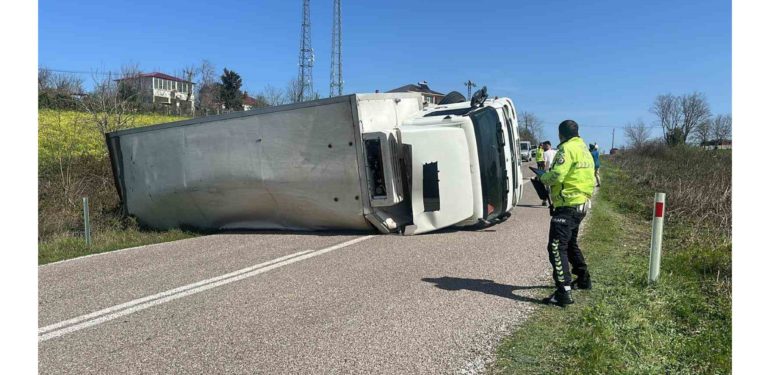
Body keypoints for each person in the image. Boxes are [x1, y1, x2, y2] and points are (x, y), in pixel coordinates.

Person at [536, 120, 595, 306]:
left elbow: (557, 175)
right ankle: (584, 279)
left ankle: (563, 291)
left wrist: (542, 177)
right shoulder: (585, 150)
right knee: (570, 244)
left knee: (556, 247)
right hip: (581, 204)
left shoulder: (566, 149)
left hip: (567, 205)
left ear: (561, 134)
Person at [540, 141, 557, 206]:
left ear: (547, 145)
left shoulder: (545, 153)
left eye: (543, 145)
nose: (542, 147)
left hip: (548, 171)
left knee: (547, 187)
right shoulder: (555, 152)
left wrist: (543, 171)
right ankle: (554, 201)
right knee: (553, 187)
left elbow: (544, 163)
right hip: (555, 170)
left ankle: (545, 201)